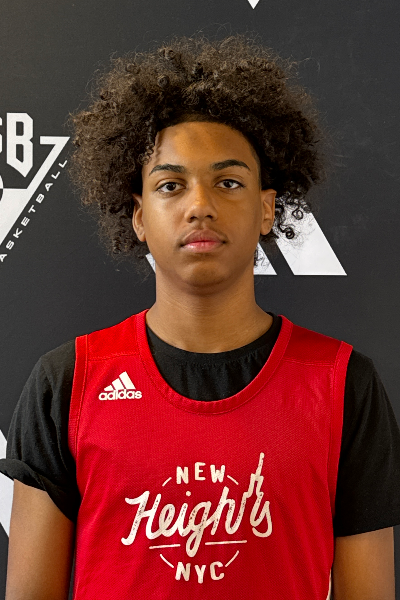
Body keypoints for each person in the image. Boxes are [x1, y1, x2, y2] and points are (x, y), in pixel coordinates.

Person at [1, 32, 400, 600]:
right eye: (170, 185)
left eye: (228, 182)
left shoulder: (342, 384)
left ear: (267, 208)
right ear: (139, 216)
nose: (200, 206)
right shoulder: (67, 383)